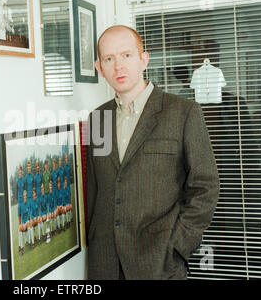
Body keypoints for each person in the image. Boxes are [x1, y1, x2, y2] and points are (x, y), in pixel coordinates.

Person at [85, 25, 219, 280]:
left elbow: (206, 186)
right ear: (99, 67)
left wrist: (179, 245)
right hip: (105, 265)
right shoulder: (97, 119)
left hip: (159, 263)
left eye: (126, 55)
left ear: (143, 59)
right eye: (109, 59)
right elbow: (95, 191)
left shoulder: (183, 112)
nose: (118, 67)